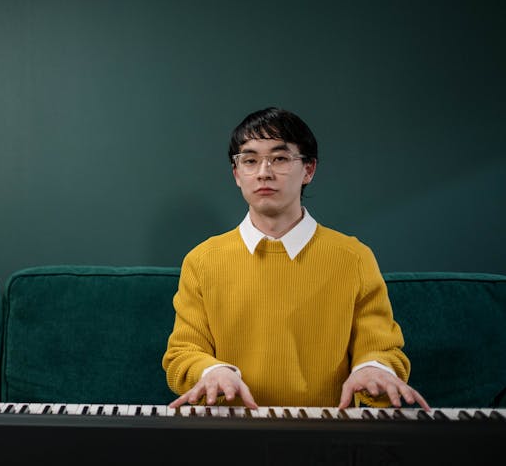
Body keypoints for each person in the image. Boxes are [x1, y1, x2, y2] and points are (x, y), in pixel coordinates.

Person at [161, 106, 430, 411]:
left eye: (280, 158)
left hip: (329, 435)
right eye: (250, 160)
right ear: (237, 174)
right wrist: (213, 372)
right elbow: (184, 352)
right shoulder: (202, 260)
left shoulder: (354, 258)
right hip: (232, 430)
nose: (264, 172)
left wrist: (373, 369)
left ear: (309, 170)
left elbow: (381, 347)